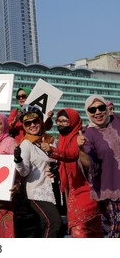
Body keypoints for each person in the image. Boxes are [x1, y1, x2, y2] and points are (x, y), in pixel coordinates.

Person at [40, 108, 103, 238]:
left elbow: (72, 154)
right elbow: (65, 164)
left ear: (73, 122)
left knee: (79, 228)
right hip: (72, 191)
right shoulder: (63, 138)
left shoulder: (78, 137)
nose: (61, 124)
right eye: (59, 121)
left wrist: (52, 151)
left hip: (85, 190)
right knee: (87, 231)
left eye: (65, 121)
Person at [13, 104, 62, 238]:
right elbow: (24, 172)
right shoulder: (26, 144)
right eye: (28, 123)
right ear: (24, 125)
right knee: (54, 223)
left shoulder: (51, 140)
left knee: (46, 228)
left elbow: (58, 161)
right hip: (37, 192)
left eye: (35, 121)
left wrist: (57, 168)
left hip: (54, 189)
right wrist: (18, 160)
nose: (32, 125)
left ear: (41, 121)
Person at [77, 95, 120, 238]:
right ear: (88, 113)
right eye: (92, 109)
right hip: (110, 188)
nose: (98, 112)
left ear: (107, 108)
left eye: (101, 108)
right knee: (117, 227)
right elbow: (89, 164)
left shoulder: (117, 120)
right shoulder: (88, 134)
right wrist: (81, 149)